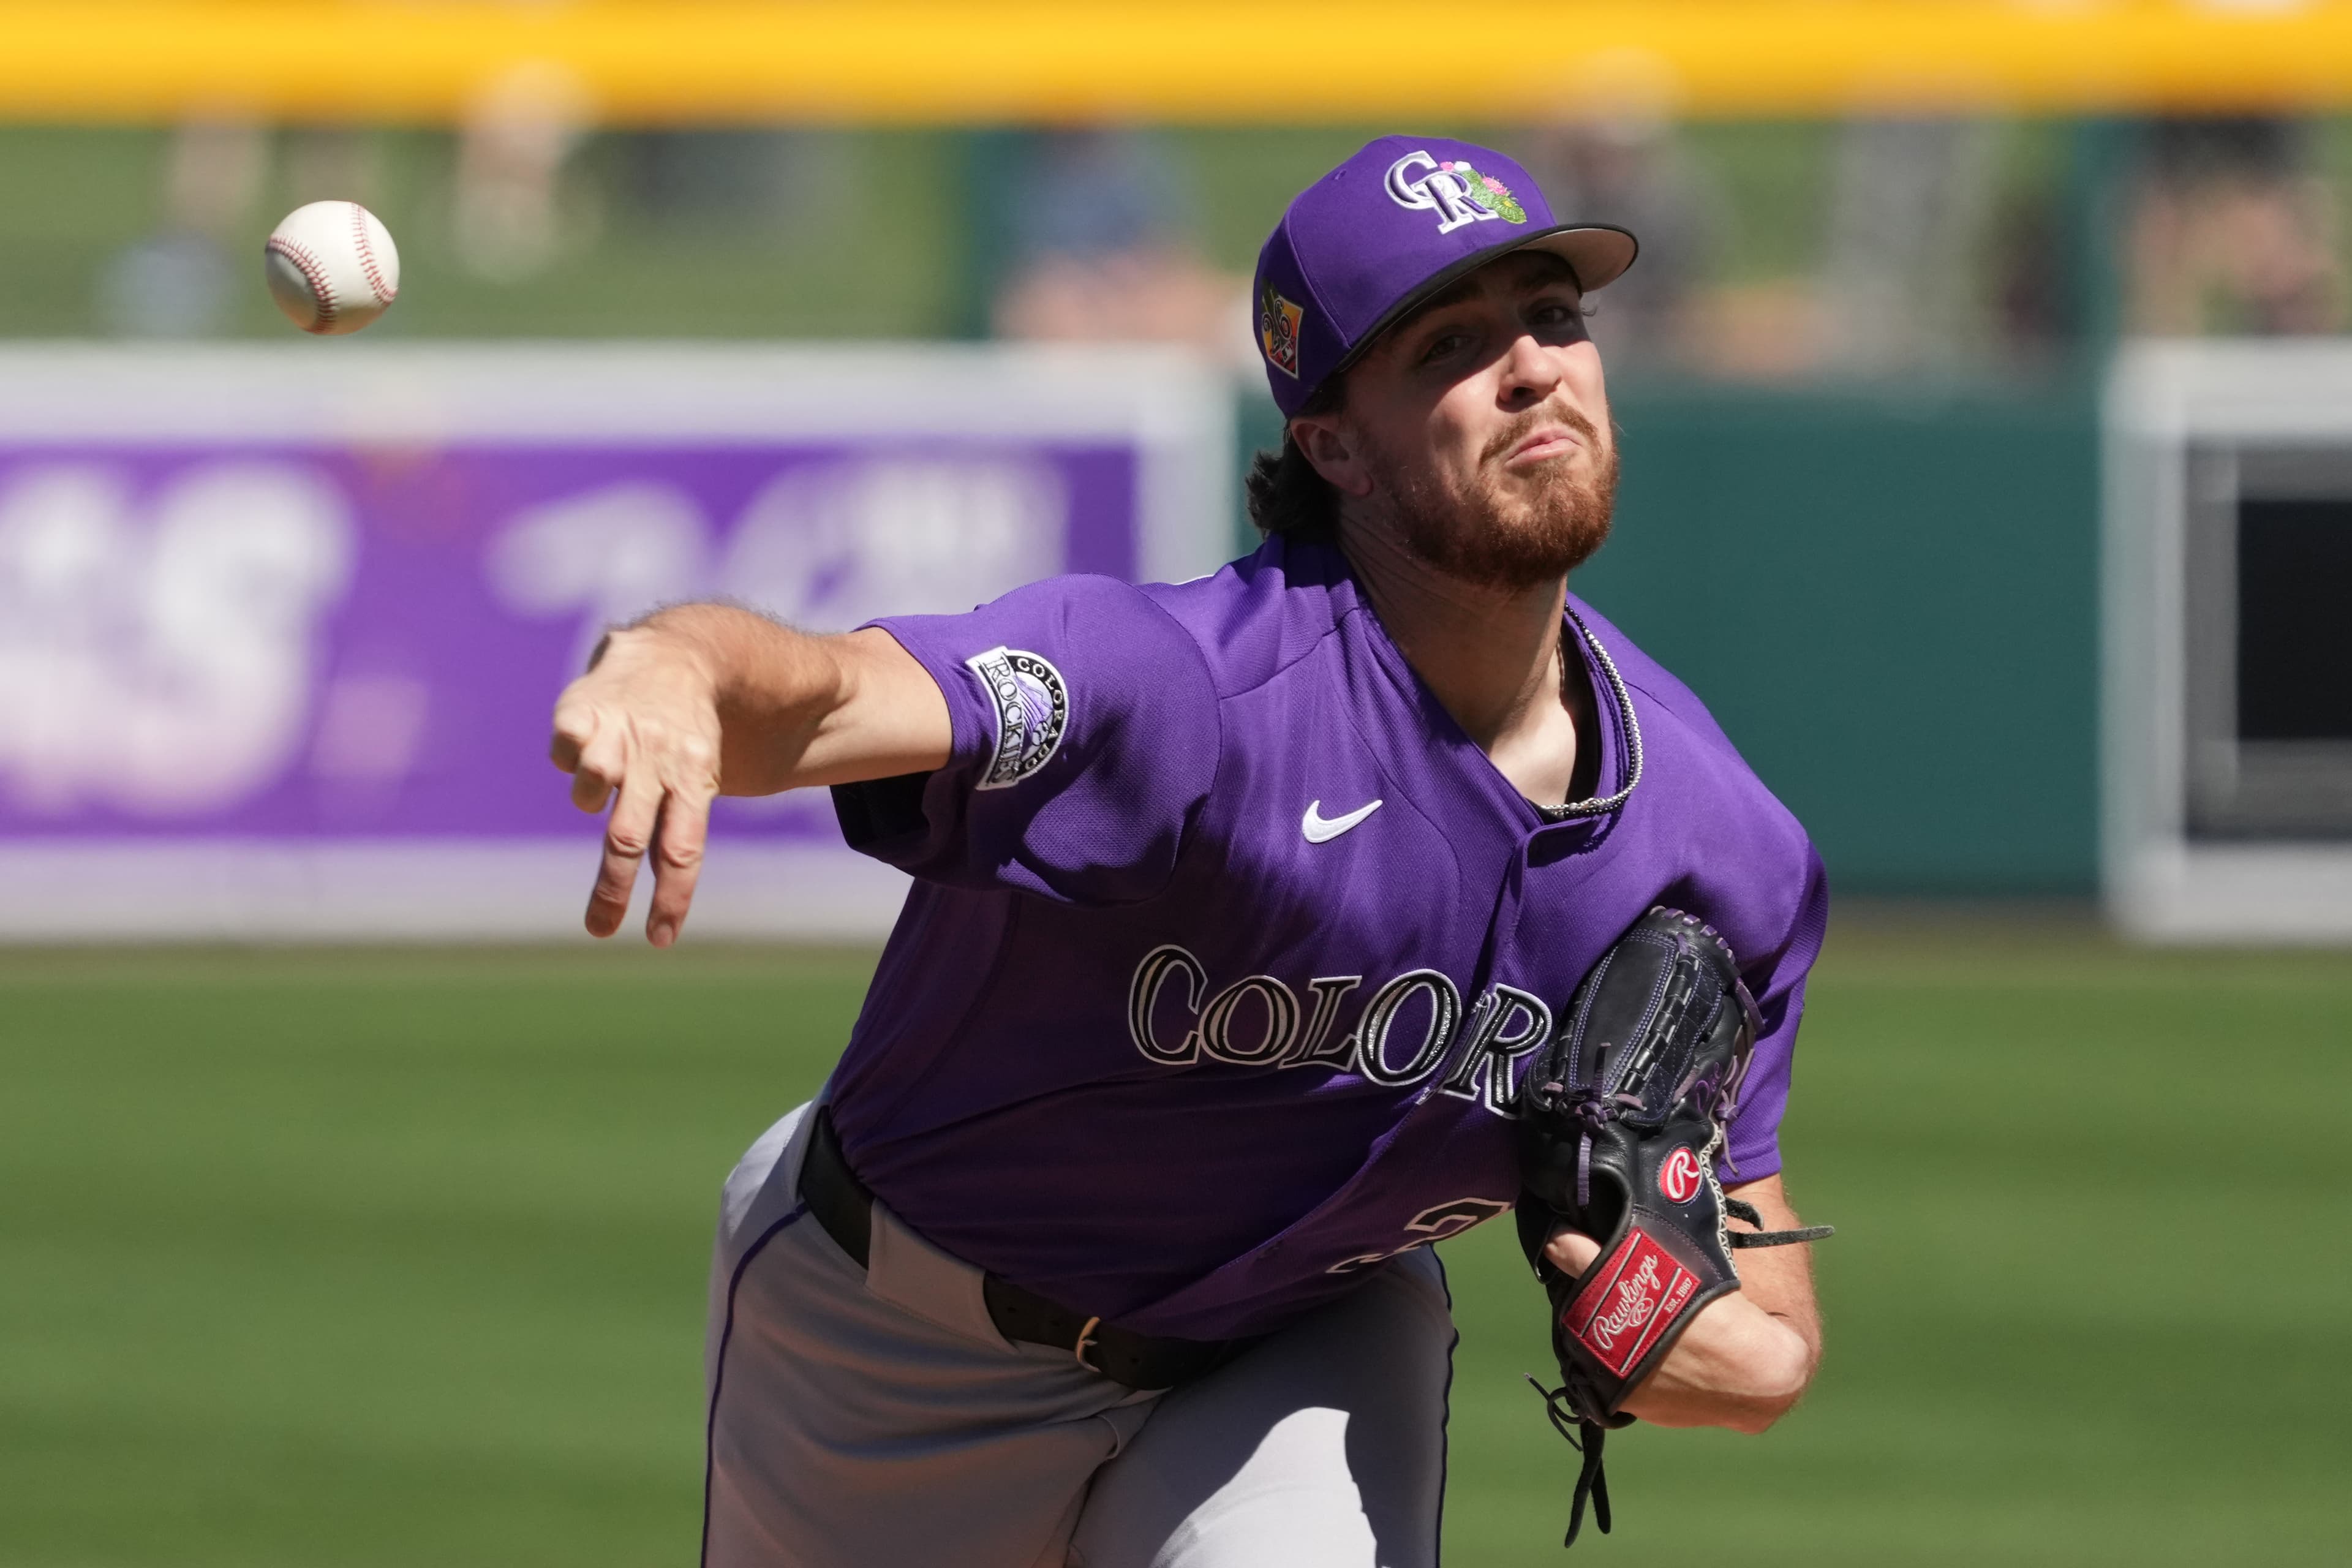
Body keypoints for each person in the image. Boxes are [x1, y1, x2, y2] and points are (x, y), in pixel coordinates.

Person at [549, 135, 1828, 1568]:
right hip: (896, 1339)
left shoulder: (1722, 848)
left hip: (1298, 1341)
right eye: (1453, 344)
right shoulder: (1185, 692)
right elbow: (837, 693)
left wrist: (1692, 1332)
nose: (1532, 366)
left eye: (1554, 318)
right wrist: (672, 658)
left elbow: (1770, 1323)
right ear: (1333, 442)